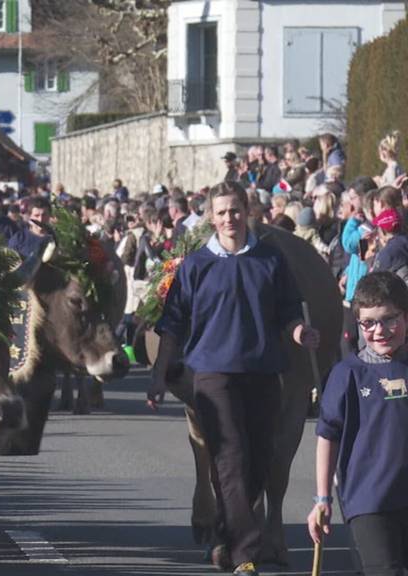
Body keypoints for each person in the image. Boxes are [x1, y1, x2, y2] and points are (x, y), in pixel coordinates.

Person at [149, 181, 320, 576]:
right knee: (229, 458)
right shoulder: (195, 266)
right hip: (213, 375)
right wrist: (159, 377)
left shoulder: (270, 259)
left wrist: (300, 332)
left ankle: (227, 538)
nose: (229, 218)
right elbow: (172, 327)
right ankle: (245, 552)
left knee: (260, 459)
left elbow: (289, 311)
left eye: (236, 210)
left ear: (247, 212)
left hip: (262, 371)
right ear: (211, 216)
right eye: (222, 212)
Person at [309, 271, 408, 575]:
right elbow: (328, 436)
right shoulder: (347, 374)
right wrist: (322, 498)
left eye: (389, 319)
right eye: (368, 323)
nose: (379, 330)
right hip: (369, 500)